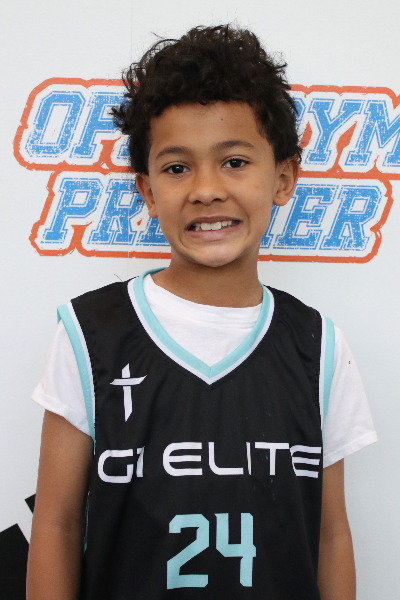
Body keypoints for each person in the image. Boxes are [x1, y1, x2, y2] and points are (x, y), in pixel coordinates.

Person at [27, 25, 377, 600]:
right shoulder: (90, 335)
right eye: (176, 168)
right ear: (147, 191)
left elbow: (331, 532)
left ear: (284, 177)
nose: (207, 189)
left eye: (234, 161)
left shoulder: (319, 347)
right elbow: (57, 523)